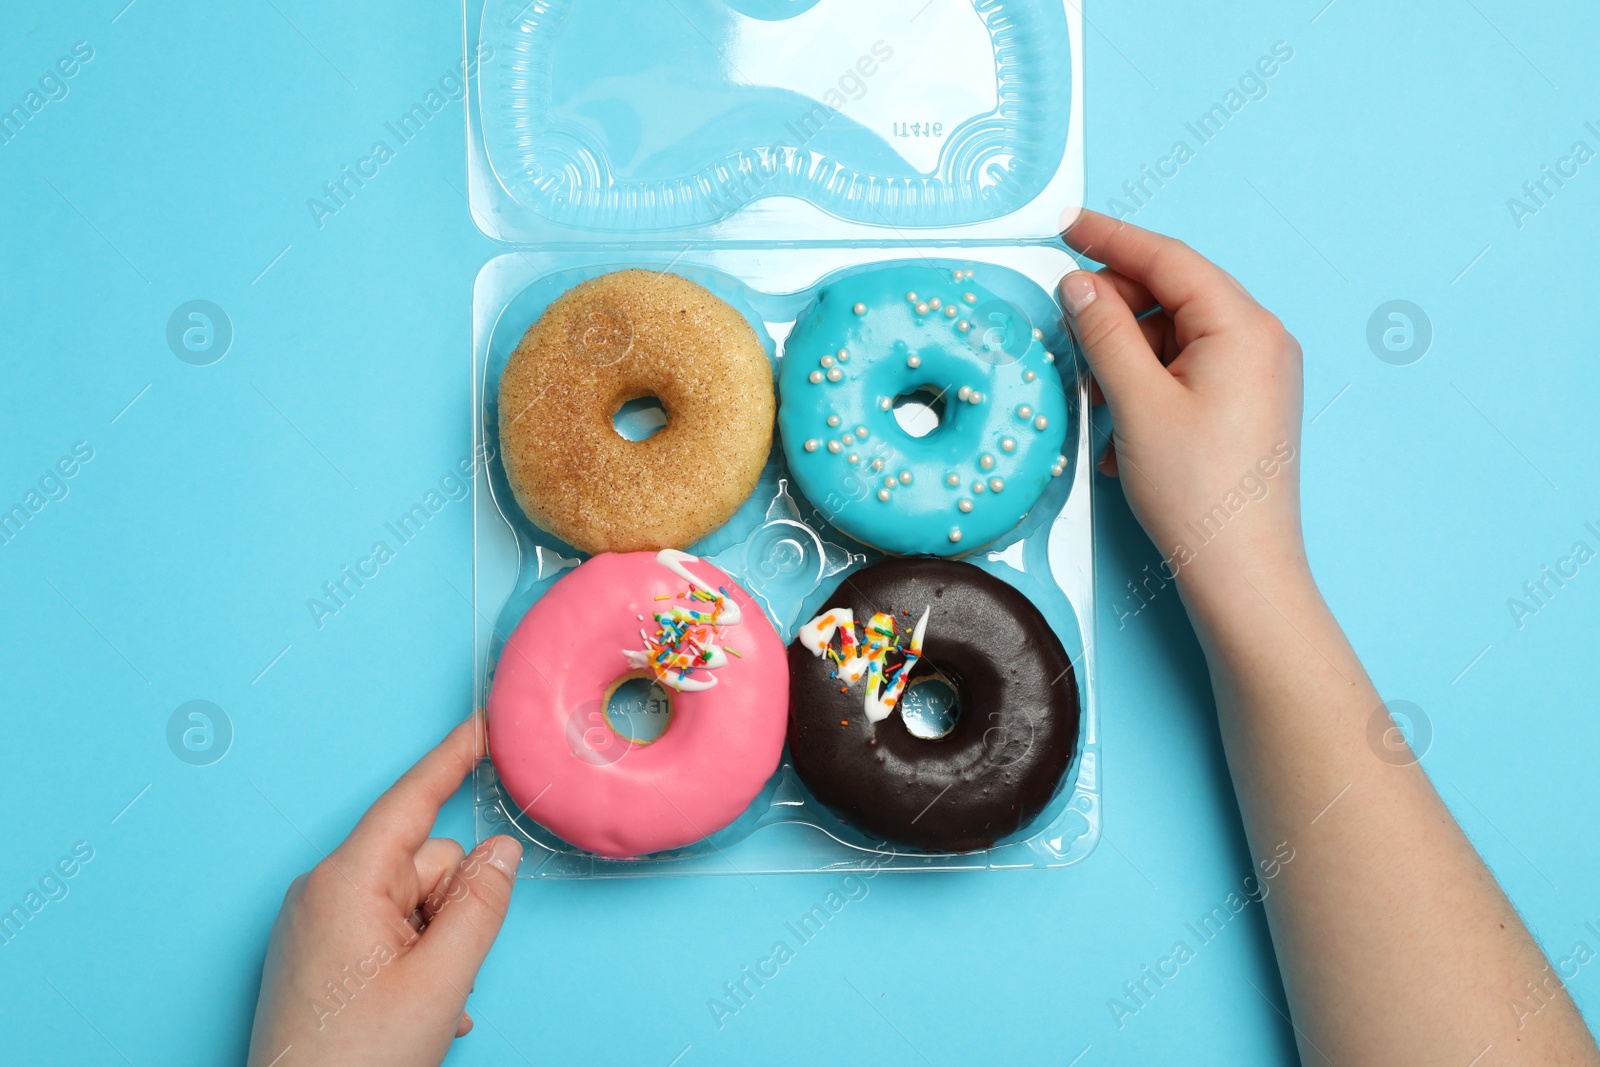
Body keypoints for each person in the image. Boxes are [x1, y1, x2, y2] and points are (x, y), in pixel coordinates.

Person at [247, 212, 1600, 1066]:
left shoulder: (818, 626)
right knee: (808, 647)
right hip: (811, 642)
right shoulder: (744, 618)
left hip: (868, 637)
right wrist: (1251, 566)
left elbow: (818, 659)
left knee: (826, 648)